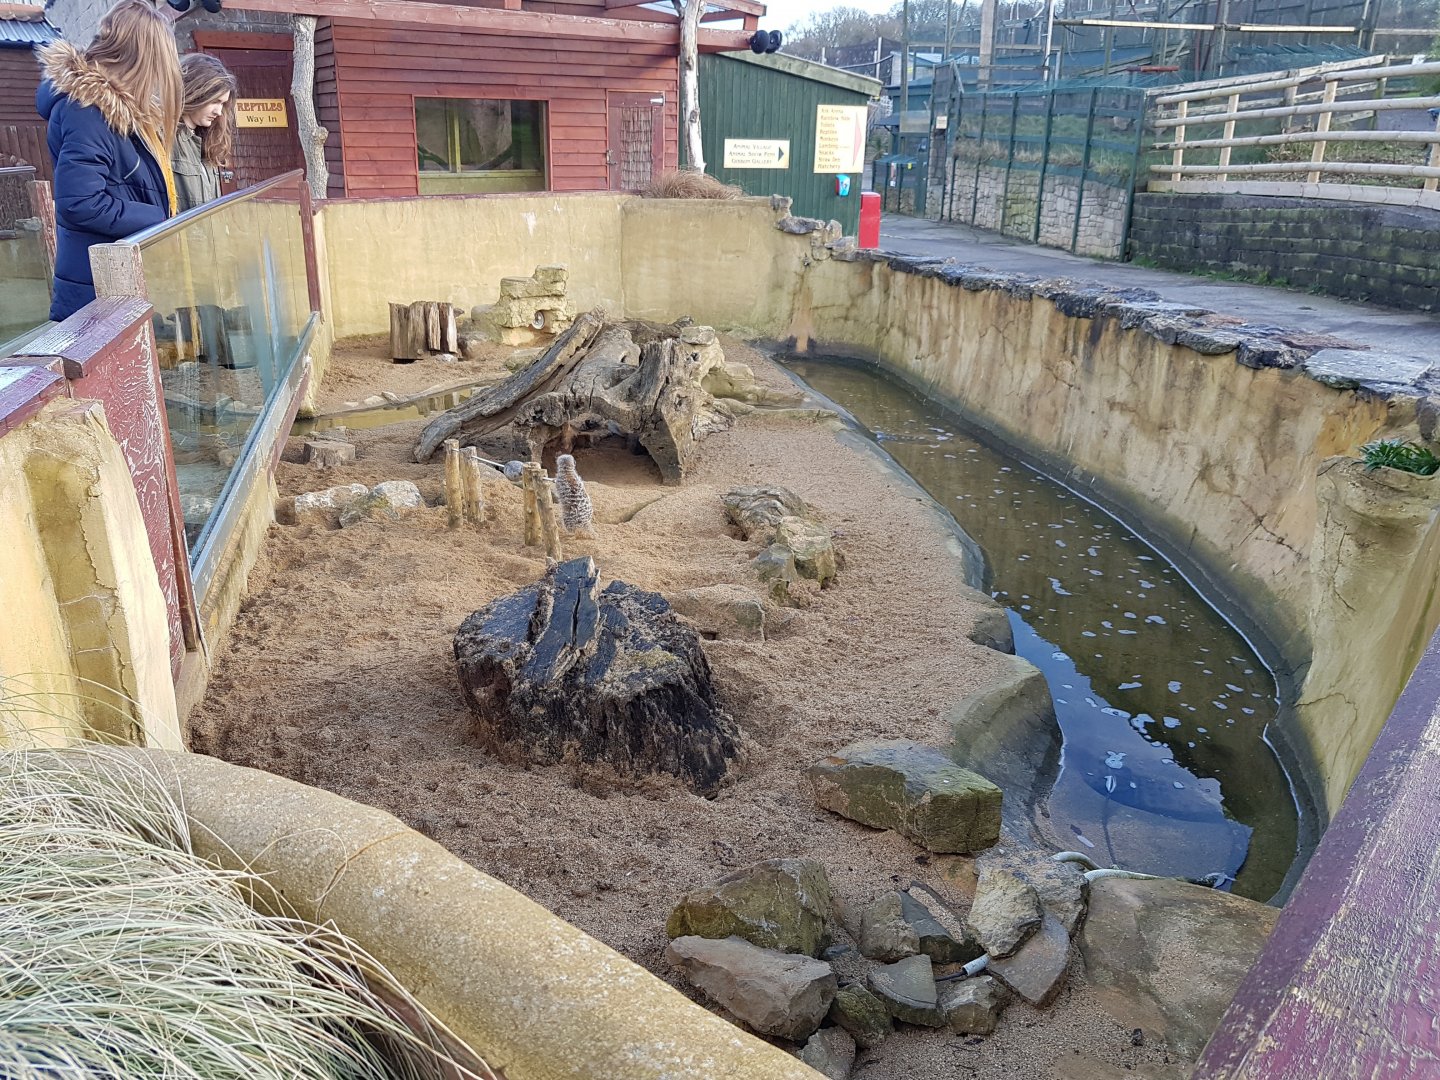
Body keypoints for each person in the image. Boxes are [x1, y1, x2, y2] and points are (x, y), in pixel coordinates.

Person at [36, 0, 181, 322]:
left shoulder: (118, 113)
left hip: (116, 274)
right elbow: (81, 203)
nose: (158, 78)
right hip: (94, 287)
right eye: (157, 65)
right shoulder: (87, 111)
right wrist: (160, 217)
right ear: (136, 60)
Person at [174, 53, 237, 213]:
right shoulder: (164, 139)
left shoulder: (210, 141)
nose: (219, 112)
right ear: (195, 92)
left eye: (223, 104)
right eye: (215, 101)